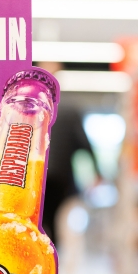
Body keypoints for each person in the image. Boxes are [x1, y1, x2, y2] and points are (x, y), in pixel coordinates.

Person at [43, 104, 100, 243]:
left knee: (42, 219)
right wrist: (98, 172)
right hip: (60, 177)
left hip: (38, 174)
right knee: (53, 219)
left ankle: (38, 249)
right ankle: (50, 249)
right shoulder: (71, 113)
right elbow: (85, 144)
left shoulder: (39, 110)